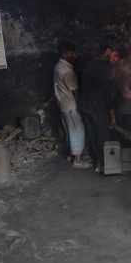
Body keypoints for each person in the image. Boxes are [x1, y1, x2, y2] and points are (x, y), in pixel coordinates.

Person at [79, 40, 122, 173]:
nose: (116, 59)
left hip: (85, 107)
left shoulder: (88, 64)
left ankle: (97, 162)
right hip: (98, 109)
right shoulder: (103, 68)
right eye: (115, 55)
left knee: (92, 136)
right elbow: (107, 92)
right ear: (108, 51)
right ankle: (101, 164)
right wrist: (112, 114)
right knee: (102, 136)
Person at [53, 40, 91, 169]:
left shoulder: (58, 66)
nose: (73, 54)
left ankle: (70, 155)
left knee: (69, 130)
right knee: (77, 130)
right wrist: (82, 105)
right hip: (71, 105)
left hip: (62, 104)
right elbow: (75, 92)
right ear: (64, 53)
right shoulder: (67, 71)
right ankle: (78, 160)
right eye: (71, 52)